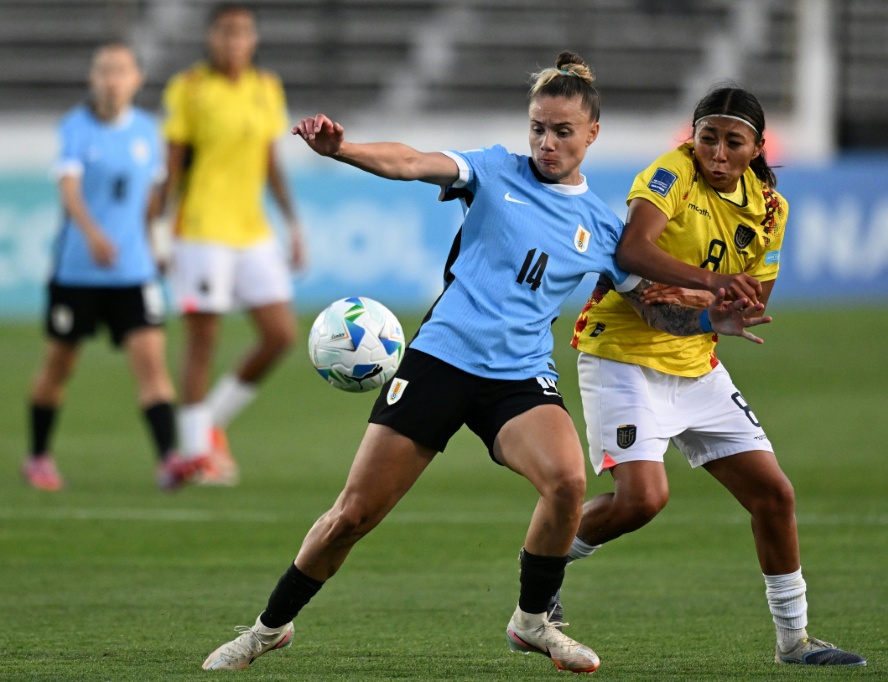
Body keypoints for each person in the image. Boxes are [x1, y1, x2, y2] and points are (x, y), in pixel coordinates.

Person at [201, 52, 771, 673]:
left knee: (567, 482)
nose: (546, 143)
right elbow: (414, 162)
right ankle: (267, 628)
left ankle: (532, 622)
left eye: (561, 131)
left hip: (519, 376)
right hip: (441, 360)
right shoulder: (495, 169)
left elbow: (654, 311)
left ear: (592, 135)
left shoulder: (602, 229)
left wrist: (713, 320)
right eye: (538, 128)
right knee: (353, 515)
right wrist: (344, 150)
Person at [564, 86, 867, 666]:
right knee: (641, 502)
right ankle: (540, 574)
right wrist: (712, 286)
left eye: (733, 142)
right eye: (708, 138)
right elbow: (632, 250)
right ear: (693, 138)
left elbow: (754, 294)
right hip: (622, 355)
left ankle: (794, 642)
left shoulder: (771, 209)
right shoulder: (670, 174)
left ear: (757, 147)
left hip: (695, 364)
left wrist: (722, 313)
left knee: (774, 494)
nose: (718, 153)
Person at [22, 42, 193, 493]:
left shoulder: (147, 131)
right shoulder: (77, 128)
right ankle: (38, 456)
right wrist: (94, 235)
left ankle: (168, 459)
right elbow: (69, 186)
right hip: (78, 270)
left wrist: (155, 243)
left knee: (152, 365)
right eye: (104, 70)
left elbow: (153, 199)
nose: (112, 79)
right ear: (92, 79)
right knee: (60, 366)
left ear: (137, 79)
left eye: (121, 70)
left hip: (133, 273)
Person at [160, 2, 305, 485]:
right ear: (210, 38)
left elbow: (269, 162)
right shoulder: (190, 88)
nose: (233, 41)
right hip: (201, 229)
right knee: (203, 341)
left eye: (242, 32)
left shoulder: (266, 88)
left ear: (254, 39)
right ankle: (194, 452)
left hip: (252, 230)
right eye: (225, 32)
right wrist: (159, 229)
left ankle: (210, 423)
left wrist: (292, 223)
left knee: (281, 333)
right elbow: (173, 164)